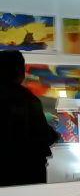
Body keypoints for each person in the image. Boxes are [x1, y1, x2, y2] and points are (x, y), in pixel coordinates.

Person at [0, 50, 58, 186]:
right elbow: (42, 135)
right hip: (27, 170)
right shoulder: (27, 99)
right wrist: (54, 134)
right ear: (20, 73)